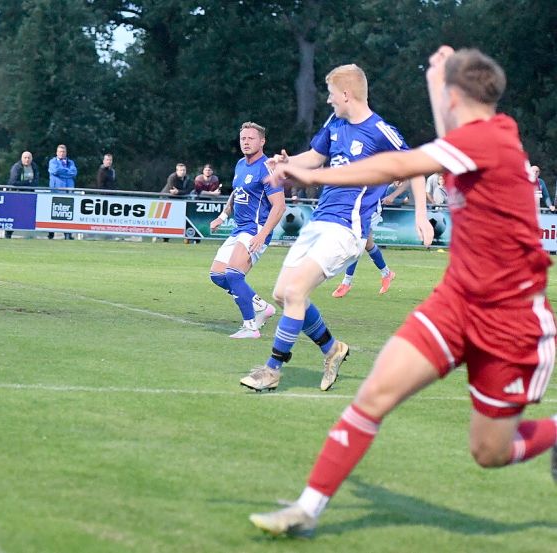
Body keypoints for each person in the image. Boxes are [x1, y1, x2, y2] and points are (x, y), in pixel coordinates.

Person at [248, 47, 557, 539]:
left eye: (443, 93)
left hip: (510, 320)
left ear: (457, 97)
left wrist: (312, 174)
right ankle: (306, 509)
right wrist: (439, 77)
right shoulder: (471, 135)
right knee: (374, 394)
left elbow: (393, 166)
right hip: (455, 303)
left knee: (489, 452)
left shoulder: (488, 141)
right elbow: (445, 126)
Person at [239, 63, 431, 394]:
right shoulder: (336, 124)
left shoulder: (379, 131)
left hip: (347, 229)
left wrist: (421, 214)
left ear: (346, 94)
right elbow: (314, 157)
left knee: (296, 291)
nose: (328, 101)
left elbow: (416, 166)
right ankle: (332, 350)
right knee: (283, 293)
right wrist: (285, 164)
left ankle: (271, 370)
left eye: (330, 94)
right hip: (320, 221)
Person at [208, 122, 285, 338]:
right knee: (217, 275)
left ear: (262, 141)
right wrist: (223, 216)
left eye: (251, 138)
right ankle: (262, 307)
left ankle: (250, 326)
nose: (246, 142)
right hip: (239, 228)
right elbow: (236, 194)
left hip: (256, 229)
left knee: (233, 274)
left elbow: (279, 205)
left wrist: (262, 234)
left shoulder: (268, 167)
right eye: (243, 138)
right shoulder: (240, 164)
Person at [6, 151, 40, 239]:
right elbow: (12, 182)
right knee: (15, 215)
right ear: (21, 158)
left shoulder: (34, 167)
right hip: (18, 194)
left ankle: (32, 235)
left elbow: (36, 182)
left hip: (30, 195)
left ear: (31, 159)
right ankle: (8, 233)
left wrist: (30, 184)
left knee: (28, 215)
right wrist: (27, 183)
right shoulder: (17, 167)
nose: (27, 159)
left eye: (29, 158)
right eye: (25, 157)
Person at [49, 144, 78, 240]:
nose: (62, 153)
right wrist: (67, 172)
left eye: (63, 152)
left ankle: (67, 234)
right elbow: (55, 171)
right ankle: (51, 233)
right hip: (56, 191)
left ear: (66, 153)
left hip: (68, 191)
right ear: (57, 153)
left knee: (68, 213)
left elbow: (74, 173)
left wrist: (62, 172)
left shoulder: (71, 162)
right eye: (60, 152)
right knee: (53, 213)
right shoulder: (52, 161)